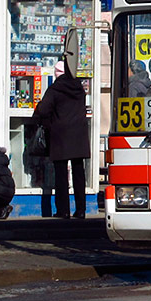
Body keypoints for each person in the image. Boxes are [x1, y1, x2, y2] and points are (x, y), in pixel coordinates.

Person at [31, 61, 90, 219]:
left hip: (61, 135)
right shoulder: (79, 88)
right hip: (79, 135)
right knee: (79, 173)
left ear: (56, 74)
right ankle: (81, 210)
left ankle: (63, 211)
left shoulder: (55, 89)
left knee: (61, 174)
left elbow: (43, 109)